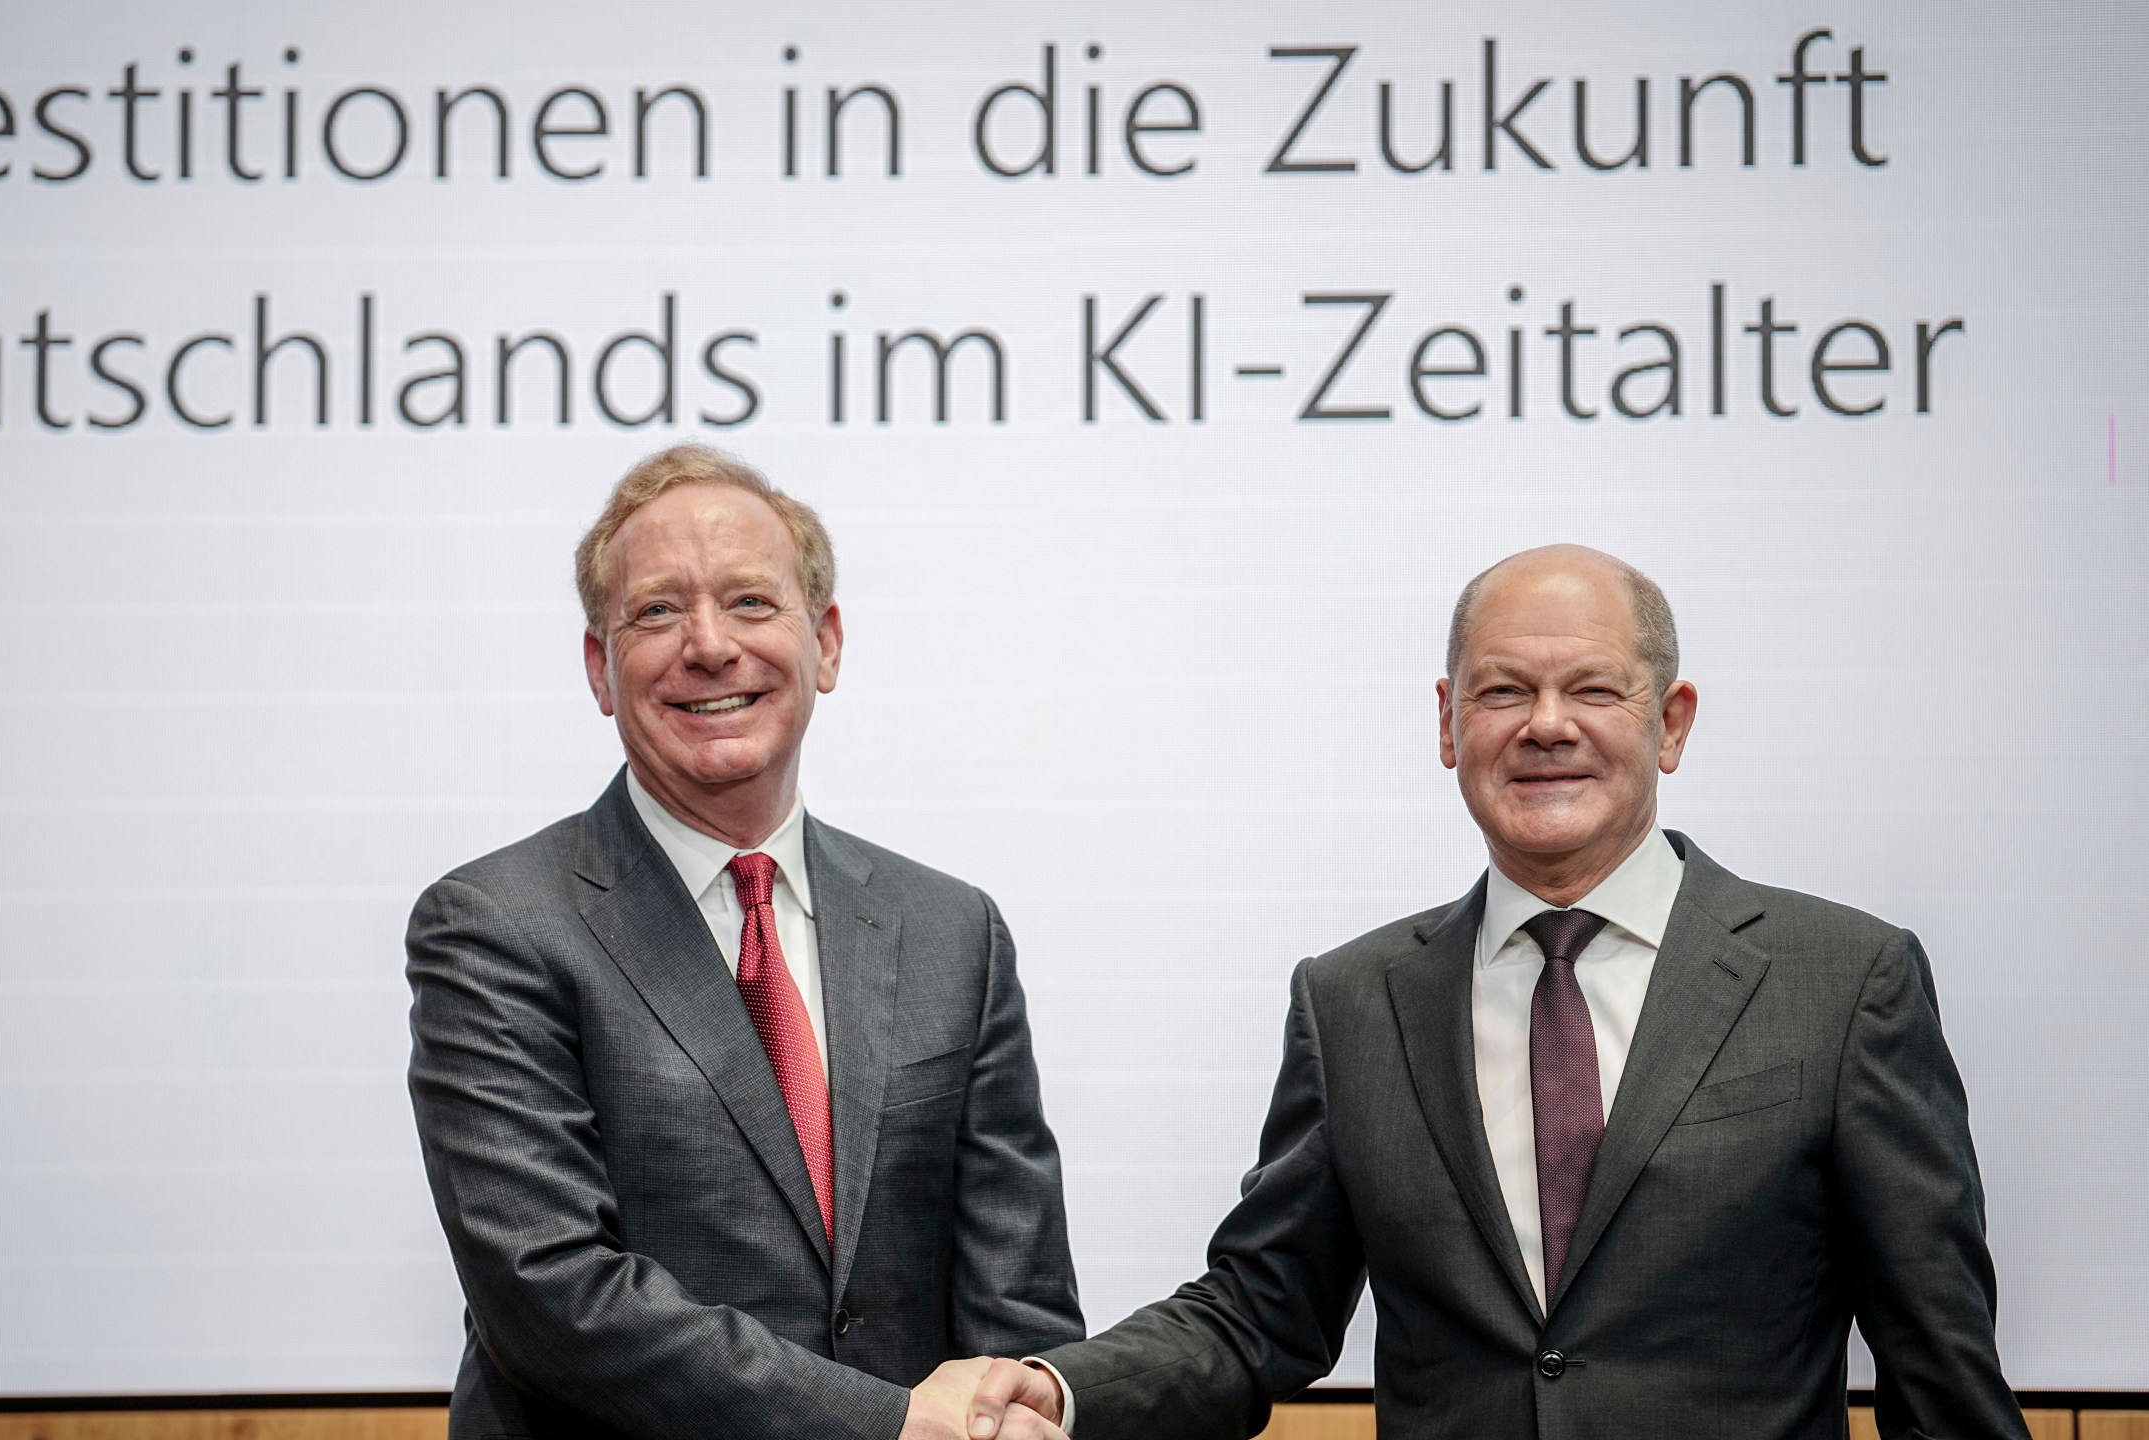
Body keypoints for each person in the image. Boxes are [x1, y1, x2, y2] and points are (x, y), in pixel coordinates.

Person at [959, 544, 2027, 1440]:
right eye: (1503, 690)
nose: (1545, 724)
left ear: (1671, 722)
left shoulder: (1841, 983)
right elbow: (1258, 1311)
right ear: (1447, 723)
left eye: (1593, 689)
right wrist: (1060, 1391)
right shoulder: (1354, 1003)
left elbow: (1938, 1368)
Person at [407, 445, 1082, 1440]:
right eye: (656, 611)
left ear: (828, 643)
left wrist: (1017, 1412)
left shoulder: (952, 933)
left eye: (752, 603)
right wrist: (888, 1425)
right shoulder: (494, 926)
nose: (710, 645)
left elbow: (1018, 1303)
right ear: (599, 666)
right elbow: (551, 1296)